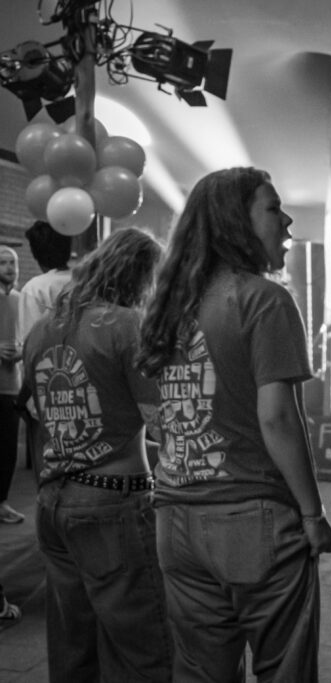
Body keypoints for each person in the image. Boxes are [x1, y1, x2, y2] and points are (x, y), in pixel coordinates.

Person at [137, 167, 331, 682]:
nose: (287, 221)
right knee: (284, 668)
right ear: (236, 222)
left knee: (200, 672)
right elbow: (277, 417)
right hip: (251, 516)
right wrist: (312, 514)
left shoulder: (167, 307)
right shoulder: (264, 300)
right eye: (273, 209)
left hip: (175, 520)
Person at [22, 227, 172, 680]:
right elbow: (162, 423)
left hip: (53, 501)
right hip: (113, 502)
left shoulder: (42, 330)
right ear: (141, 277)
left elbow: (36, 410)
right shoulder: (127, 326)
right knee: (144, 650)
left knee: (73, 650)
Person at [17, 221, 72, 478]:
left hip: (46, 390)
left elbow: (31, 347)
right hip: (84, 383)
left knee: (47, 469)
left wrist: (23, 397)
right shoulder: (85, 281)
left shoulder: (35, 288)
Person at [0, 245, 23, 524]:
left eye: (12, 262)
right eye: (3, 262)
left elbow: (28, 336)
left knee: (7, 450)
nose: (8, 268)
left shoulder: (20, 299)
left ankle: (2, 503)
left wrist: (21, 351)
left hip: (11, 385)